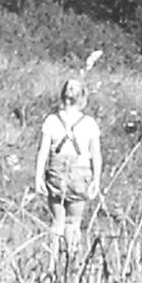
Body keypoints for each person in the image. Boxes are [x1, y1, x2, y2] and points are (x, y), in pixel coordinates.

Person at [34, 78, 102, 261]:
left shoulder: (51, 120)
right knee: (74, 222)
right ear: (82, 97)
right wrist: (96, 180)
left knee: (57, 223)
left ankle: (53, 262)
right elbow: (96, 155)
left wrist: (38, 177)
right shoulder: (89, 123)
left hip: (56, 172)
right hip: (80, 173)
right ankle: (73, 262)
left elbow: (43, 151)